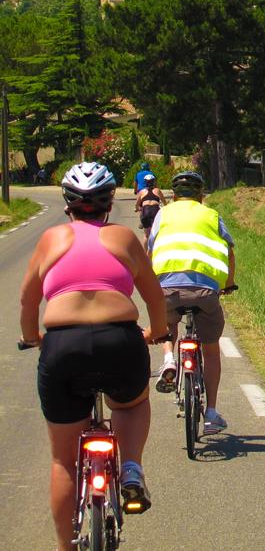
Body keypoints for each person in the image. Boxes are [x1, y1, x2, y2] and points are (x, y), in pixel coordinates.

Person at [19, 162, 168, 551]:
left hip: (62, 348)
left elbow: (28, 298)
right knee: (132, 405)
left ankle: (65, 547)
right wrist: (158, 332)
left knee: (64, 462)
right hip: (119, 340)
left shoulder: (50, 239)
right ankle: (131, 466)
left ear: (68, 204)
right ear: (106, 204)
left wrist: (31, 336)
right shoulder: (123, 238)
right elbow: (153, 293)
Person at [149, 170, 235, 435]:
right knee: (210, 352)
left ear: (173, 196)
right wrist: (228, 284)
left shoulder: (163, 214)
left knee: (166, 325)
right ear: (201, 197)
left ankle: (168, 360)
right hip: (205, 292)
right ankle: (210, 413)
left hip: (168, 289)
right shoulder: (212, 215)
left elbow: (150, 248)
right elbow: (229, 252)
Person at [134, 173, 166, 241]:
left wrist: (137, 209)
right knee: (156, 234)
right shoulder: (157, 190)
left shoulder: (142, 192)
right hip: (155, 211)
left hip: (145, 211)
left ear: (145, 182)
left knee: (146, 235)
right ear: (153, 182)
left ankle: (145, 251)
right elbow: (164, 203)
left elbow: (137, 205)